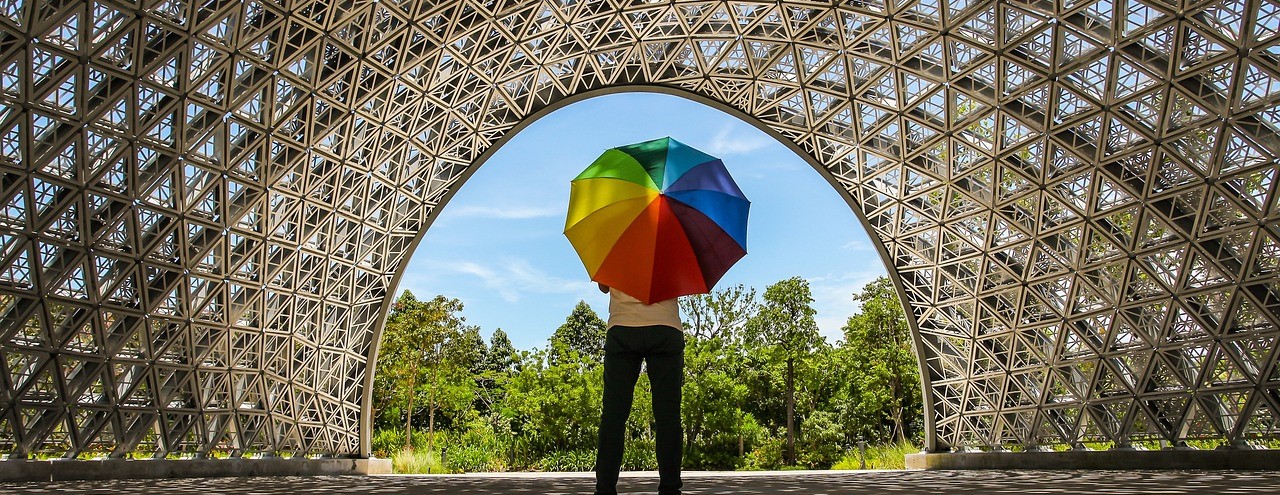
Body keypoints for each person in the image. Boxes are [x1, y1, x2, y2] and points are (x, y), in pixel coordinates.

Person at [594, 282, 684, 495]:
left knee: (613, 416)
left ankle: (605, 489)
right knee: (668, 416)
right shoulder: (675, 248)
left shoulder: (613, 247)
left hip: (623, 326)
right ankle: (670, 489)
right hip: (665, 326)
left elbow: (604, 287)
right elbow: (681, 284)